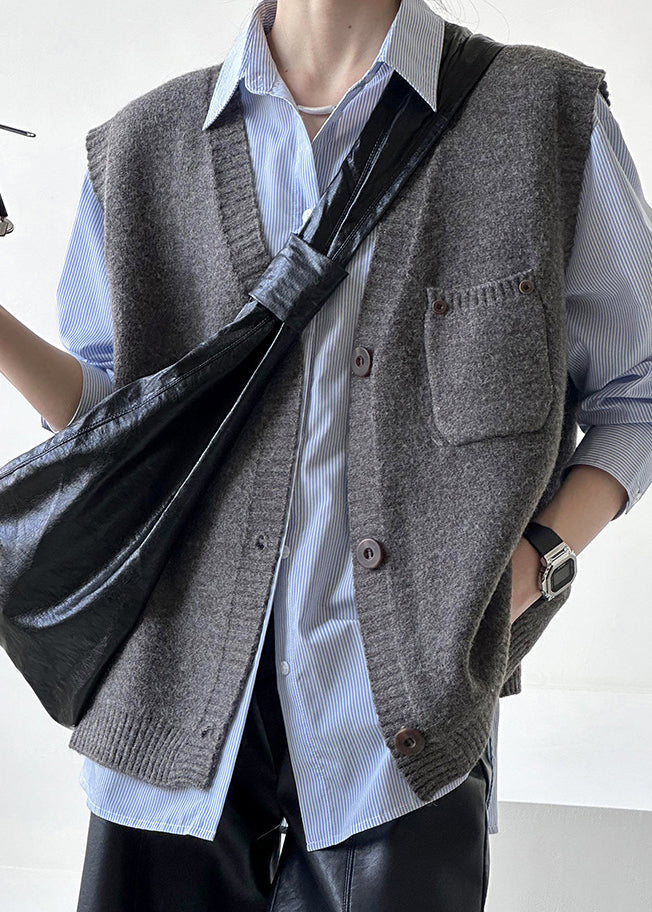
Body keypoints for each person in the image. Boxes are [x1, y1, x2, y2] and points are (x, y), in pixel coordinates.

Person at [1, 0, 651, 909]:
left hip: (400, 731)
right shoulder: (144, 147)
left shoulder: (541, 115)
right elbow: (115, 432)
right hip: (168, 712)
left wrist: (533, 566)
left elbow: (639, 386)